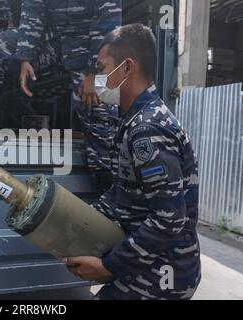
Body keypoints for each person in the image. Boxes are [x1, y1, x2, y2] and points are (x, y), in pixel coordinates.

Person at [64, 24, 201, 300]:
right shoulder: (133, 120)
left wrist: (107, 266)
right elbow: (122, 192)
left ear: (127, 68)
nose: (98, 79)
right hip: (148, 259)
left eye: (102, 70)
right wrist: (77, 224)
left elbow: (169, 219)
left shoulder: (147, 129)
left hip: (165, 269)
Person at [0, 0, 122, 183]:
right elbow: (32, 11)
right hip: (53, 40)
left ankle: (108, 186)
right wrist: (25, 56)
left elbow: (109, 24)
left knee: (100, 118)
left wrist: (95, 72)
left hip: (94, 50)